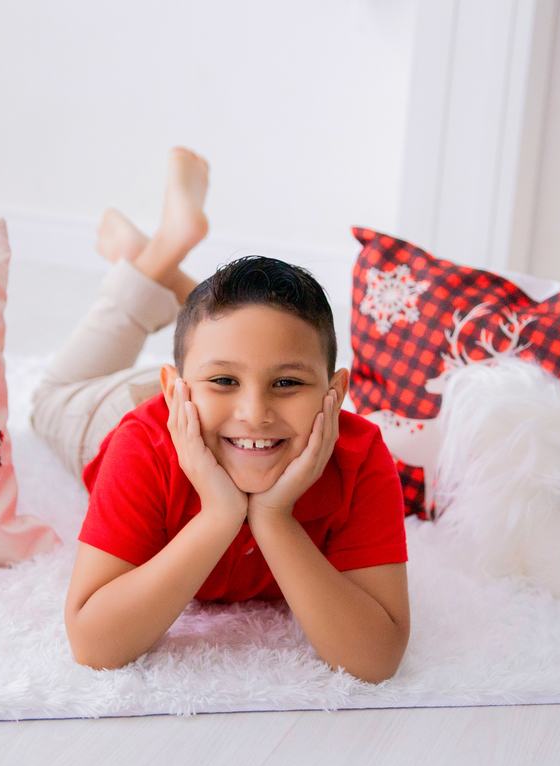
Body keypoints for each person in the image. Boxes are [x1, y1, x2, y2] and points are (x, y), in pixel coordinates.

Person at [32, 148, 409, 683]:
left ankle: (151, 267)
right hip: (117, 408)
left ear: (336, 392)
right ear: (174, 390)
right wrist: (217, 516)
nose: (256, 414)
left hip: (208, 400)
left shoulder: (360, 457)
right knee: (48, 399)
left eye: (288, 383)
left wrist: (273, 517)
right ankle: (155, 257)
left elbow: (376, 658)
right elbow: (93, 644)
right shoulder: (140, 445)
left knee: (233, 342)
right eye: (228, 381)